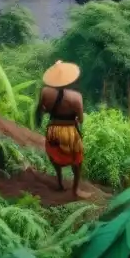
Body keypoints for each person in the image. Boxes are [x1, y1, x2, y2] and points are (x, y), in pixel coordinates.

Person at [35, 60, 85, 198]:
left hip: (53, 129)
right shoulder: (76, 97)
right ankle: (75, 190)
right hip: (69, 132)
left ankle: (59, 182)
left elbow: (42, 108)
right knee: (77, 160)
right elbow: (80, 119)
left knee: (54, 155)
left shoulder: (45, 91)